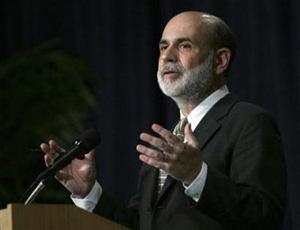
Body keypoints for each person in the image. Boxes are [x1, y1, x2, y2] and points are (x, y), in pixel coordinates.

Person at [40, 11, 286, 230]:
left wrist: (196, 175)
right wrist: (89, 193)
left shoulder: (248, 121)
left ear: (220, 60)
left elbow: (264, 217)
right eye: (163, 46)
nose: (167, 56)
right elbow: (139, 224)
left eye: (184, 46)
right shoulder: (169, 142)